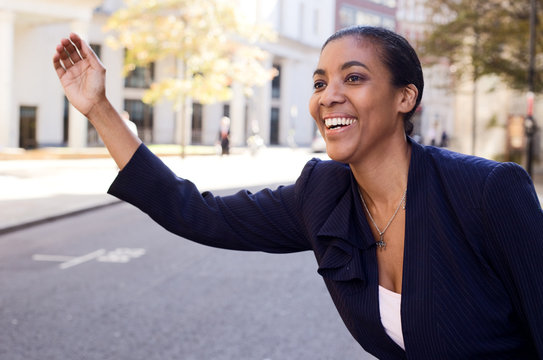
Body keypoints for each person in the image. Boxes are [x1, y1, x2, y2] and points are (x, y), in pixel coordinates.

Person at [53, 27, 543, 359]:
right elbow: (194, 213)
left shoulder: (487, 191)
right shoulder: (321, 194)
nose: (328, 95)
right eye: (319, 82)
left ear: (405, 97)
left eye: (354, 77)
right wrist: (98, 109)